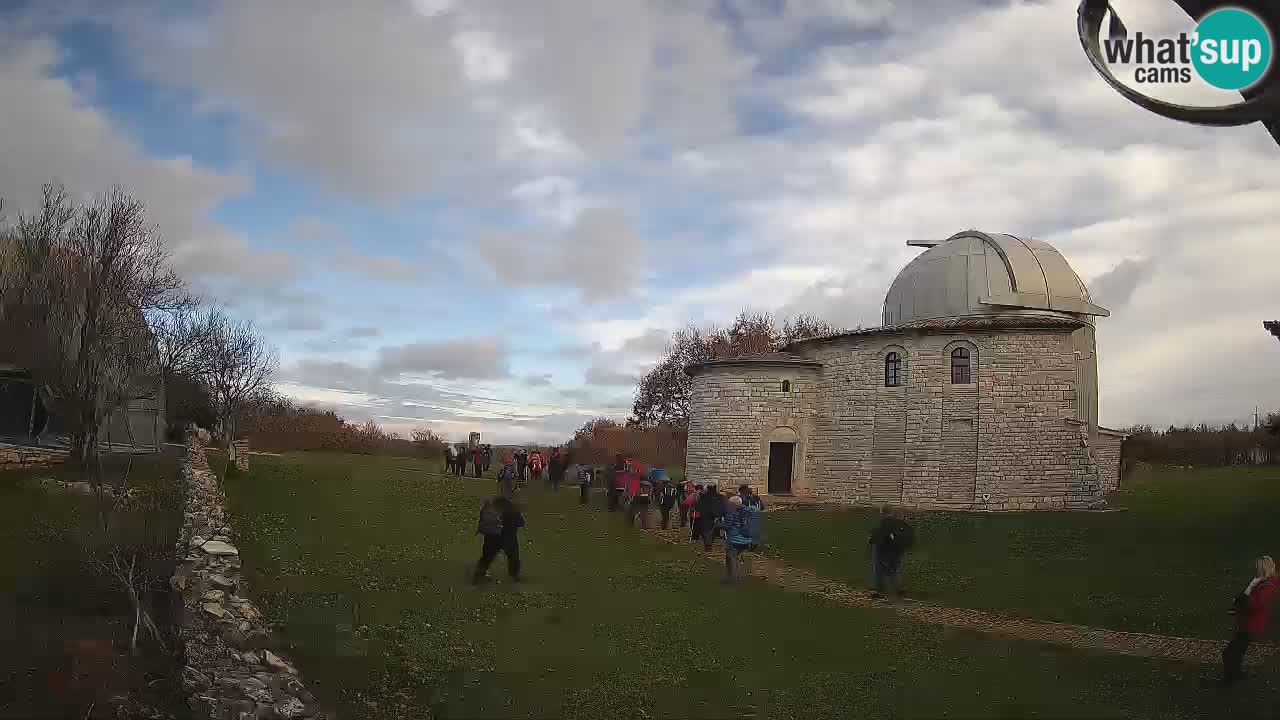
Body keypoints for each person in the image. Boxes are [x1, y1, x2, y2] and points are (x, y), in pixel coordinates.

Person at [1223, 555, 1278, 686]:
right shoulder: (1258, 581)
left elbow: (1257, 605)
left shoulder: (1267, 585)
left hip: (1251, 624)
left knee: (1230, 652)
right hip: (1246, 622)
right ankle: (1235, 674)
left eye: (1258, 567)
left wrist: (1240, 599)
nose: (1256, 569)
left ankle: (1230, 679)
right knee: (1237, 650)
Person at [473, 496, 524, 583]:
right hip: (509, 538)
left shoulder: (491, 509)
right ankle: (514, 575)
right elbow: (521, 523)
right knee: (513, 556)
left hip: (492, 537)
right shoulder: (512, 510)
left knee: (487, 557)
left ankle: (480, 573)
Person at [869, 505, 914, 599]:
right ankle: (900, 590)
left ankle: (880, 592)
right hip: (898, 551)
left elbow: (877, 537)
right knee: (894, 570)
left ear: (882, 513)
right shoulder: (901, 523)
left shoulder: (884, 523)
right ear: (892, 513)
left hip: (883, 552)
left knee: (879, 571)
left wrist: (872, 540)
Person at [718, 494, 759, 583]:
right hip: (746, 540)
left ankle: (732, 578)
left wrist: (719, 525)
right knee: (735, 557)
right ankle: (736, 577)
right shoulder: (746, 512)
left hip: (734, 540)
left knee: (731, 558)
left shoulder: (731, 513)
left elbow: (727, 526)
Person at [696, 485, 725, 550]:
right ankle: (708, 544)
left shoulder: (703, 497)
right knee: (709, 530)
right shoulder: (715, 497)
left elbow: (697, 506)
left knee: (706, 530)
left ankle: (708, 544)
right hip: (711, 516)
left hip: (705, 516)